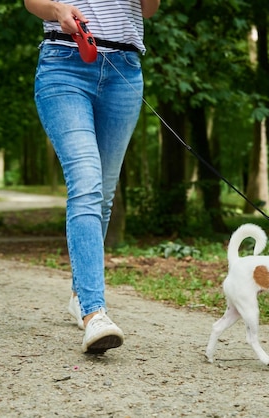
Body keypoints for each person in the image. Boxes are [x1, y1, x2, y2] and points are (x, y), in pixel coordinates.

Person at [24, 0, 160, 354]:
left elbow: (148, 9)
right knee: (86, 183)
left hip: (124, 70)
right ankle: (94, 313)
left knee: (102, 196)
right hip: (64, 64)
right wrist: (56, 11)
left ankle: (79, 295)